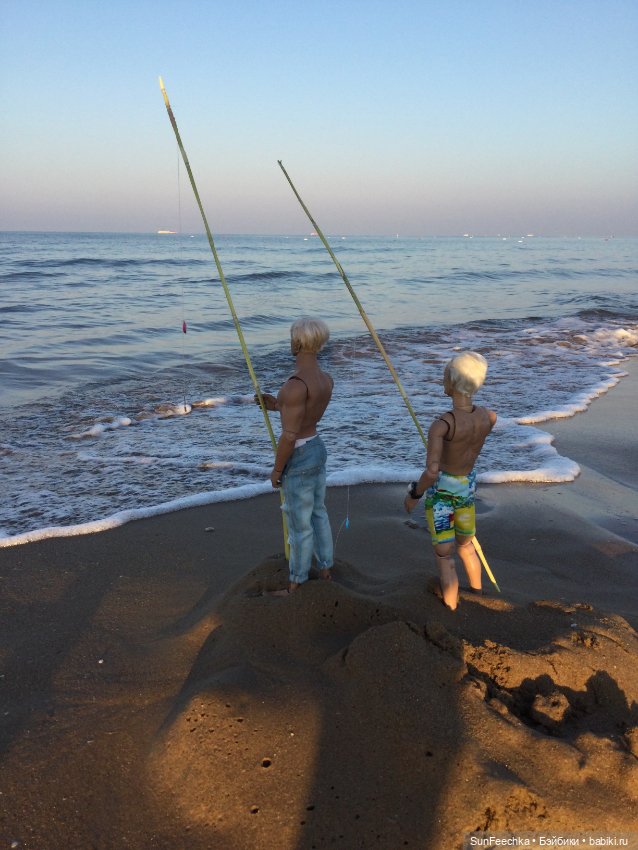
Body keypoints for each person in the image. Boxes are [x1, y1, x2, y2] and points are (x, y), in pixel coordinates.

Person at [404, 351, 497, 611]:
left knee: (444, 555)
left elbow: (432, 471)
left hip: (443, 497)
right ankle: (477, 592)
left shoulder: (442, 425)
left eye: (445, 374)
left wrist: (414, 494)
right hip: (466, 492)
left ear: (453, 382)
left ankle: (451, 607)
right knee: (466, 545)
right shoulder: (488, 417)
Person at [257, 317, 334, 594]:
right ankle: (325, 567)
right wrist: (278, 405)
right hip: (317, 447)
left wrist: (278, 470)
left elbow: (290, 435)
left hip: (299, 455)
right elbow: (305, 412)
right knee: (319, 513)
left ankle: (296, 582)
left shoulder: (294, 385)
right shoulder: (326, 380)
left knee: (299, 525)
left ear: (296, 343)